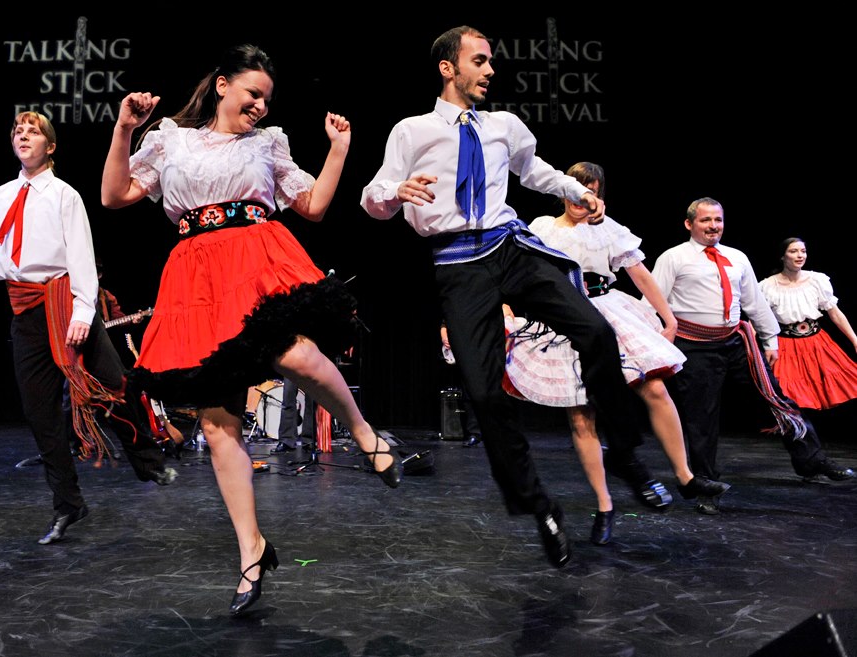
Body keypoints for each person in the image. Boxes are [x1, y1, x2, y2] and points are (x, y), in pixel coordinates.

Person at [101, 43, 402, 617]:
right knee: (218, 426)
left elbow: (310, 205)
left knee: (298, 356)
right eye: (252, 93)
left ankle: (366, 435)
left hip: (258, 260)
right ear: (221, 85)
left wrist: (339, 150)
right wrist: (123, 128)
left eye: (266, 98)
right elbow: (114, 196)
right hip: (196, 276)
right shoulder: (170, 138)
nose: (261, 105)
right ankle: (251, 551)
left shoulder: (269, 143)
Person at [360, 26, 670, 570]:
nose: (490, 70)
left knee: (595, 330)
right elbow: (374, 196)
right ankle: (538, 504)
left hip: (511, 247)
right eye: (479, 60)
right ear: (447, 68)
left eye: (491, 61)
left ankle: (625, 456)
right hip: (459, 265)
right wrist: (394, 193)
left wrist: (578, 191)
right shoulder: (412, 131)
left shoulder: (504, 125)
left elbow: (536, 171)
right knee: (483, 393)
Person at [0, 111, 177, 546]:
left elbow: (80, 257)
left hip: (66, 304)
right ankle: (68, 504)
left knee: (114, 386)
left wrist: (81, 313)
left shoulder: (64, 196)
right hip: (26, 314)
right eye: (17, 130)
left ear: (50, 147)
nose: (22, 136)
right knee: (41, 415)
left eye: (33, 131)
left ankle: (148, 461)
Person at [504, 162, 730, 537]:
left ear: (599, 195)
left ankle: (686, 476)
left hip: (608, 310)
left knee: (654, 387)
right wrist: (507, 305)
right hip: (563, 315)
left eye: (590, 190)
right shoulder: (543, 227)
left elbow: (638, 272)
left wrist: (668, 317)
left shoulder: (610, 230)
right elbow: (517, 269)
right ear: (563, 192)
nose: (582, 198)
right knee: (581, 414)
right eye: (576, 190)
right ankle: (604, 507)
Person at [650, 197, 856, 514]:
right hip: (695, 346)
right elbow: (652, 301)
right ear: (689, 224)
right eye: (705, 220)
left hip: (735, 341)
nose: (713, 226)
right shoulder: (673, 258)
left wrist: (770, 339)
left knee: (778, 400)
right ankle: (706, 487)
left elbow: (754, 301)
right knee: (701, 418)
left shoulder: (736, 257)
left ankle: (812, 462)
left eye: (717, 220)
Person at [758, 237, 857, 411]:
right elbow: (757, 321)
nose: (800, 255)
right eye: (793, 251)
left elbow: (835, 314)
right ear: (782, 256)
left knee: (829, 387)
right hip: (785, 346)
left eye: (803, 251)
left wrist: (855, 340)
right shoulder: (768, 286)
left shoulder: (817, 280)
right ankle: (800, 434)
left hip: (817, 343)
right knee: (789, 397)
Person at [440, 320, 482, 447]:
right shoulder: (459, 304)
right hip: (467, 351)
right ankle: (474, 433)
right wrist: (445, 338)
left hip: (484, 351)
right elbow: (445, 324)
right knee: (469, 394)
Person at [271, 377, 317, 452]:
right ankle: (286, 441)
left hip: (311, 367)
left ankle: (309, 440)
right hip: (292, 366)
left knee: (311, 403)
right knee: (288, 399)